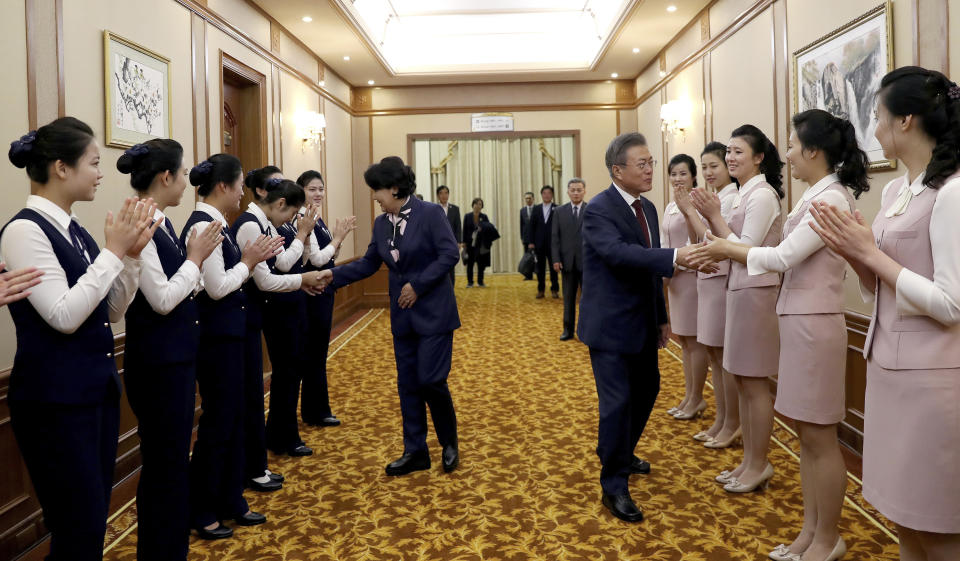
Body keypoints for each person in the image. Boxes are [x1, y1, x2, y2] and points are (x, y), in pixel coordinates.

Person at [691, 109, 869, 561]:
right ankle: (811, 533)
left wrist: (723, 245)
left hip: (814, 325)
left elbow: (783, 257)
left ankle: (827, 538)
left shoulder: (830, 199)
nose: (786, 154)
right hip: (800, 320)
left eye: (792, 145)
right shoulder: (817, 195)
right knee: (809, 437)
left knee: (820, 439)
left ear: (813, 151)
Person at [811, 66, 960, 561]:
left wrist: (871, 254)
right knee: (904, 517)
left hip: (933, 378)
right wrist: (856, 253)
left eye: (878, 116)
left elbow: (950, 304)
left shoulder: (953, 192)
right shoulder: (897, 191)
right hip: (889, 367)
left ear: (906, 120)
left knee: (937, 525)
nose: (873, 128)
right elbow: (880, 288)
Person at [2, 117, 155, 560]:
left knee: (90, 521)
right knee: (76, 523)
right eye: (93, 162)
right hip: (55, 401)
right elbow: (64, 316)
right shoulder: (24, 230)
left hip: (93, 391)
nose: (100, 173)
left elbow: (109, 310)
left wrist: (130, 259)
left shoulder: (76, 230)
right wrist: (113, 251)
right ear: (61, 168)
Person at [578, 132, 704, 523]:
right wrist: (677, 256)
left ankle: (620, 450)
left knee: (648, 388)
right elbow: (620, 254)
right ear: (618, 170)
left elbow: (650, 269)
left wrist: (662, 317)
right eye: (643, 163)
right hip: (610, 325)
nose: (651, 169)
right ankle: (613, 484)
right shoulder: (598, 209)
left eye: (652, 162)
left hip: (643, 321)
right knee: (616, 403)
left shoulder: (648, 208)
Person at [317, 156, 461, 476]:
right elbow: (369, 263)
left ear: (395, 189)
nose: (374, 197)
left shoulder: (432, 214)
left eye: (377, 191)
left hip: (435, 314)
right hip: (403, 317)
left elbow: (450, 254)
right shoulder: (382, 223)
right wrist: (331, 276)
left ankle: (449, 442)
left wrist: (418, 286)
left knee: (431, 380)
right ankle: (415, 451)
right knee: (408, 383)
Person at [119, 139, 223, 561]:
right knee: (165, 467)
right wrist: (196, 259)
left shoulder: (159, 222)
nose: (186, 182)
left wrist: (192, 267)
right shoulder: (142, 224)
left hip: (174, 360)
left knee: (174, 462)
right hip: (158, 365)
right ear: (165, 177)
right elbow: (162, 299)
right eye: (182, 174)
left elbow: (183, 289)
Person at [182, 154, 282, 539]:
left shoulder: (217, 223)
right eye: (240, 184)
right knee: (218, 424)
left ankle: (230, 498)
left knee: (235, 419)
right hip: (215, 341)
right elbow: (217, 286)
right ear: (223, 186)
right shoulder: (202, 226)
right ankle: (203, 507)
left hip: (232, 337)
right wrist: (249, 261)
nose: (243, 192)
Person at [690, 124, 785, 494]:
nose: (730, 158)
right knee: (743, 382)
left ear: (758, 157)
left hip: (757, 295)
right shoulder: (745, 193)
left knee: (754, 384)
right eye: (728, 152)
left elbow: (746, 249)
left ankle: (759, 463)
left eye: (738, 152)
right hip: (739, 291)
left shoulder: (762, 195)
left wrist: (714, 215)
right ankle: (748, 461)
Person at [232, 176, 327, 462]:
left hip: (280, 305)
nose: (292, 219)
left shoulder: (267, 222)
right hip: (269, 308)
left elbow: (284, 263)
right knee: (284, 374)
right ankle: (279, 438)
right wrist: (302, 240)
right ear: (280, 202)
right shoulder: (251, 223)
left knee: (290, 372)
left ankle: (283, 435)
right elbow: (274, 273)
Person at [675, 142, 741, 447]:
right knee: (714, 354)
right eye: (705, 167)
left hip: (722, 279)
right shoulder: (715, 198)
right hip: (706, 276)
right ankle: (720, 419)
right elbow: (696, 238)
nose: (709, 172)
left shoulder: (732, 198)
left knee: (722, 355)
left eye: (714, 165)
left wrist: (690, 209)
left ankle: (731, 422)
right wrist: (690, 213)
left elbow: (715, 239)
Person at [296, 170, 356, 428]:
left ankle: (318, 409)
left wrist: (336, 242)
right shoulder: (303, 218)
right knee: (314, 355)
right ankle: (315, 411)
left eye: (321, 188)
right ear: (301, 191)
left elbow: (326, 255)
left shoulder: (315, 218)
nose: (318, 194)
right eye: (312, 189)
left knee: (318, 355)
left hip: (322, 292)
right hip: (312, 294)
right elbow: (316, 260)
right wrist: (339, 237)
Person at [659, 155, 709, 421]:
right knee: (685, 343)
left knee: (696, 341)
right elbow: (665, 242)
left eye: (683, 174)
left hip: (690, 276)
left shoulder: (697, 204)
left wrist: (678, 265)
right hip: (674, 278)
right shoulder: (670, 207)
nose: (678, 179)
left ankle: (697, 397)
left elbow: (698, 240)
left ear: (693, 177)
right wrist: (665, 270)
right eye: (673, 174)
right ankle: (689, 395)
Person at [551, 178, 587, 340]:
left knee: (587, 300)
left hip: (587, 263)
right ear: (568, 192)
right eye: (573, 190)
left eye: (579, 190)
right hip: (566, 263)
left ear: (584, 191)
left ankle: (586, 331)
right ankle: (568, 330)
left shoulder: (592, 210)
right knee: (568, 299)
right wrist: (556, 259)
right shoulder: (559, 211)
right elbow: (555, 238)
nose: (576, 193)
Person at [526, 185, 559, 298]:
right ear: (541, 195)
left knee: (553, 268)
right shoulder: (536, 209)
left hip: (553, 244)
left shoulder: (557, 208)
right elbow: (531, 227)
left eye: (549, 193)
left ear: (552, 195)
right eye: (544, 193)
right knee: (540, 269)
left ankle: (554, 289)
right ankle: (541, 290)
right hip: (539, 244)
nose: (546, 195)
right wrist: (531, 242)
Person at [462, 197, 499, 287]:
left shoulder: (484, 216)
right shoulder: (467, 216)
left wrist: (482, 229)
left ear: (482, 206)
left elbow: (489, 229)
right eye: (476, 204)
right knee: (470, 263)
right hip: (470, 243)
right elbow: (465, 230)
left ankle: (480, 281)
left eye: (480, 204)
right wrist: (464, 242)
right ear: (473, 205)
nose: (478, 206)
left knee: (481, 264)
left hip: (481, 244)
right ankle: (470, 282)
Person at [437, 185, 461, 285]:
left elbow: (458, 226)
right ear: (438, 195)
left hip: (451, 242)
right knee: (439, 266)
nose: (444, 195)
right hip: (438, 243)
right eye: (441, 193)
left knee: (451, 266)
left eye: (446, 193)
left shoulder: (455, 209)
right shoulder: (434, 208)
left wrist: (459, 241)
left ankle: (451, 288)